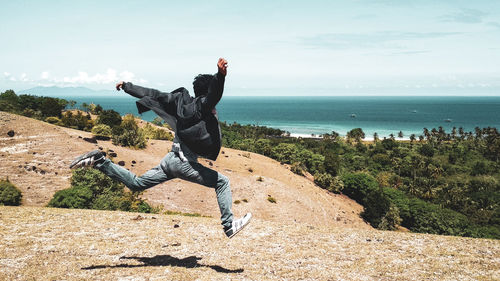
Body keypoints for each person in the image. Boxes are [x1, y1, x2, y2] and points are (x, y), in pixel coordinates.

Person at [70, 58, 251, 238]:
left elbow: (154, 93)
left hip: (171, 159)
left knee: (137, 183)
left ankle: (100, 161)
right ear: (207, 92)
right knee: (222, 182)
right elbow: (215, 94)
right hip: (183, 163)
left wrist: (127, 86)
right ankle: (228, 225)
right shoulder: (203, 106)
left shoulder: (181, 102)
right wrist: (220, 76)